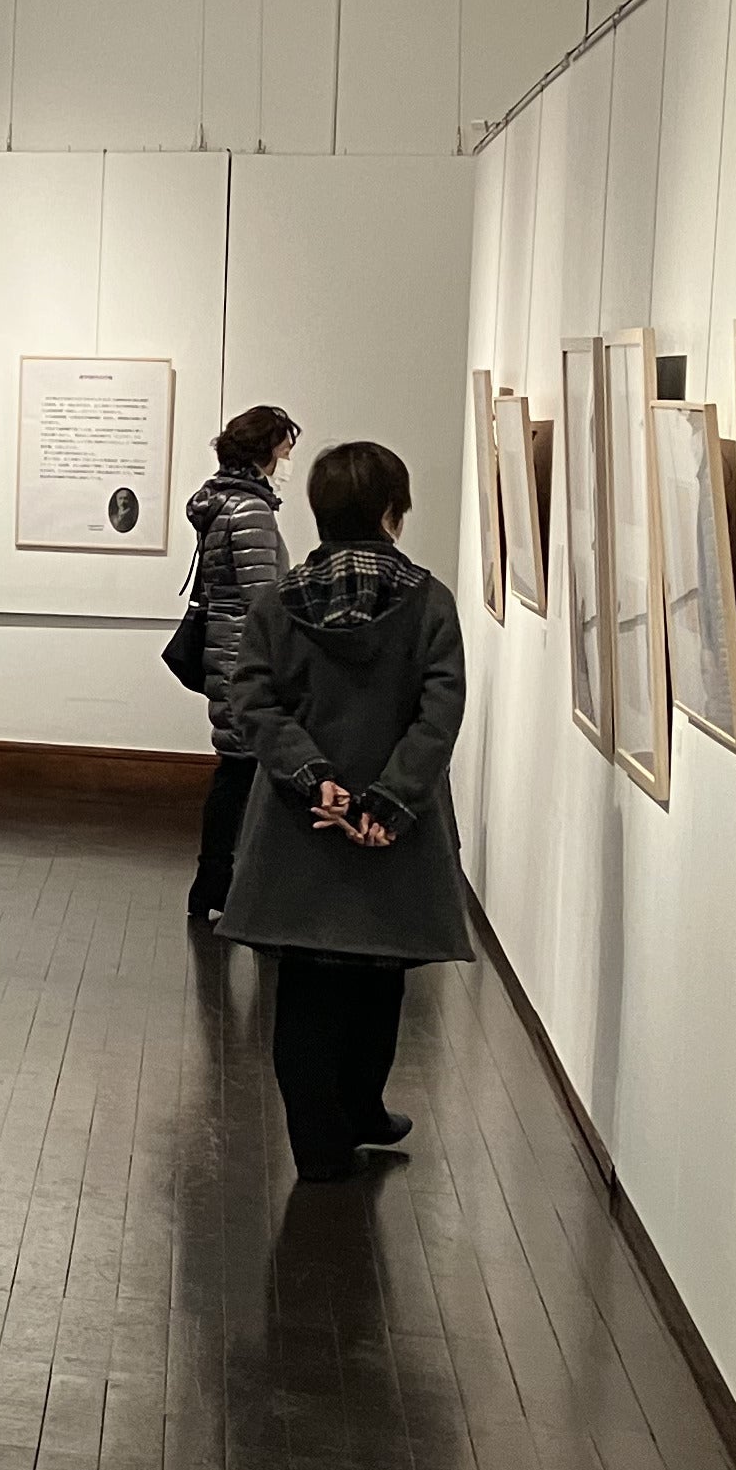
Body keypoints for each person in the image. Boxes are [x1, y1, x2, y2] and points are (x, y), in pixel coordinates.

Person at [217, 438, 473, 1184]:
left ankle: (320, 1145)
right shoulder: (429, 602)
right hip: (396, 828)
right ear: (393, 512)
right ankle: (360, 1108)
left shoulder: (279, 603)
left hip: (301, 825)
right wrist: (390, 798)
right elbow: (439, 713)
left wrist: (315, 780)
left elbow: (252, 700)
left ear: (319, 511)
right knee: (379, 977)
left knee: (304, 987)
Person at [182, 404, 299, 927]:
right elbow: (262, 599)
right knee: (241, 772)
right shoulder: (250, 509)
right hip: (244, 656)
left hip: (226, 650)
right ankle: (228, 885)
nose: (288, 461)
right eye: (284, 450)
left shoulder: (221, 501)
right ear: (264, 452)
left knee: (235, 769)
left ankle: (216, 883)